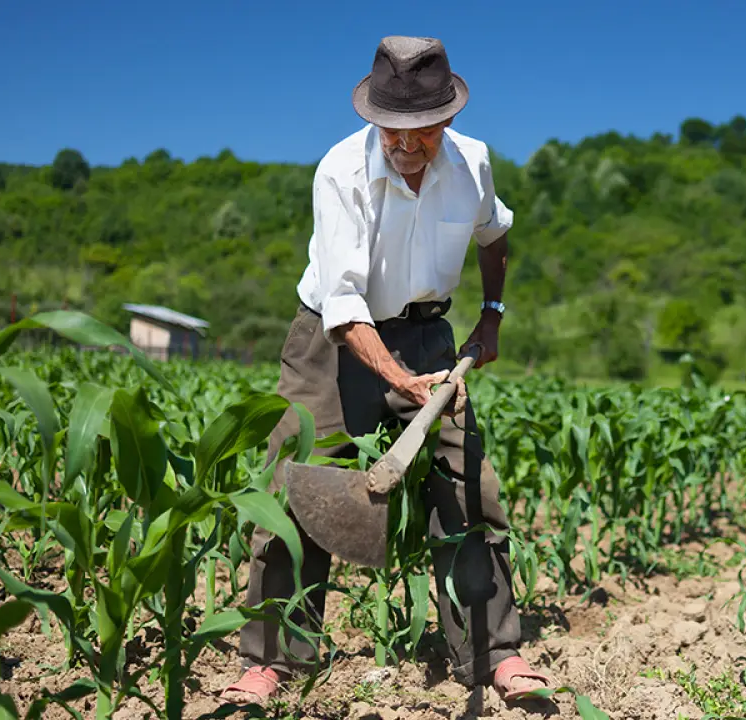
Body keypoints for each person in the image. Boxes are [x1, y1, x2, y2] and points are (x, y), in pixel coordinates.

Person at [219, 36, 550, 705]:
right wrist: (399, 382)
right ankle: (273, 657)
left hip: (430, 335)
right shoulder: (341, 171)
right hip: (332, 339)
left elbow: (495, 233)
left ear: (446, 119)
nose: (402, 145)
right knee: (293, 482)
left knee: (467, 486)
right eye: (389, 130)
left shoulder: (474, 165)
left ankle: (491, 652)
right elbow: (343, 306)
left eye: (418, 131)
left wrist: (492, 312)